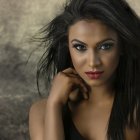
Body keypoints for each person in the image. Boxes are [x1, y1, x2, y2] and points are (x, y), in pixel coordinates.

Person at [29, 0, 140, 140]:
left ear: (122, 47)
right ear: (67, 47)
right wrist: (54, 105)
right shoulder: (41, 111)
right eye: (80, 47)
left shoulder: (134, 111)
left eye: (105, 47)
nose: (93, 62)